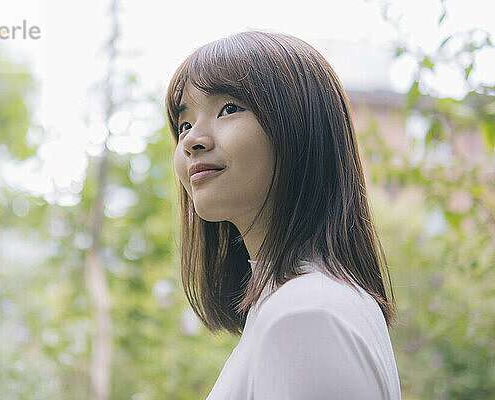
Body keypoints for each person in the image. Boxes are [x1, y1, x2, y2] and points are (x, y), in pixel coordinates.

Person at [165, 30, 401, 400]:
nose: (192, 140)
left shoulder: (307, 314)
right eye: (184, 124)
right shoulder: (292, 304)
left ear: (299, 129)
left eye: (228, 108)